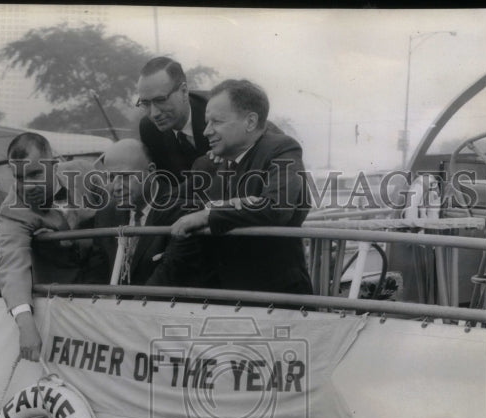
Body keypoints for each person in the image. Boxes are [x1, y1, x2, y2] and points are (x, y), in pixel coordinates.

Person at [169, 79, 313, 296]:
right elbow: (179, 206)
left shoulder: (282, 149)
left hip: (274, 297)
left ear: (250, 122)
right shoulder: (218, 162)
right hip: (227, 295)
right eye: (207, 122)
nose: (206, 131)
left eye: (216, 122)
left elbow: (276, 207)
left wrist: (208, 215)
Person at [0, 132, 90, 362]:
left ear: (54, 164)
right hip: (63, 308)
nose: (27, 186)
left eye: (35, 173)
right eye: (19, 177)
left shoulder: (85, 174)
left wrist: (71, 236)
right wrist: (26, 325)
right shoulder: (12, 209)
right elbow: (11, 265)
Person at [82, 139, 206, 288]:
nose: (116, 187)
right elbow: (96, 272)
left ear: (151, 171)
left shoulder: (182, 211)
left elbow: (169, 276)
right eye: (112, 177)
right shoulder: (107, 213)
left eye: (125, 176)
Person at [136, 57, 210, 182]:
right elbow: (164, 185)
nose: (154, 114)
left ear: (184, 91)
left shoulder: (216, 112)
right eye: (145, 103)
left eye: (161, 100)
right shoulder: (149, 128)